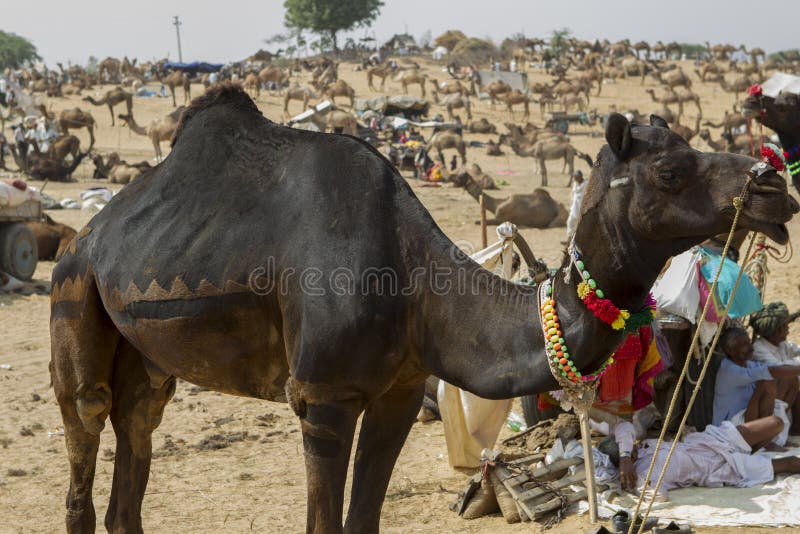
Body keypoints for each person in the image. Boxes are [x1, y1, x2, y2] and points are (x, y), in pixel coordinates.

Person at [619, 415, 800, 496]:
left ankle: (756, 449)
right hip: (718, 469)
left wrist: (625, 456)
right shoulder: (643, 476)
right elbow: (660, 497)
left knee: (776, 422)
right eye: (631, 450)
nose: (634, 447)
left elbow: (623, 426)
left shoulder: (637, 449)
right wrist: (636, 485)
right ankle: (755, 456)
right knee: (791, 462)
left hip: (710, 441)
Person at [713, 327, 800, 448]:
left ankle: (771, 436)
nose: (750, 347)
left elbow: (776, 367)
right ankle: (763, 443)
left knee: (790, 380)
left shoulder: (748, 364)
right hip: (732, 427)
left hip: (748, 416)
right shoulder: (729, 370)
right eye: (744, 344)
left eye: (749, 341)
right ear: (731, 350)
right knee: (765, 382)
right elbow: (771, 371)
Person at [751, 302, 800, 432]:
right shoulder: (759, 349)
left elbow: (796, 351)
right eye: (785, 326)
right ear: (778, 331)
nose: (788, 329)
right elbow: (780, 370)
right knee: (791, 378)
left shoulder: (781, 344)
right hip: (767, 403)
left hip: (783, 398)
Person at [563, 169, 586, 245]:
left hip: (582, 208)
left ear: (580, 177)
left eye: (575, 177)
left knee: (581, 225)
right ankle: (569, 239)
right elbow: (573, 194)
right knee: (570, 222)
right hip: (574, 207)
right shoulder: (575, 183)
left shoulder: (586, 184)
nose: (574, 179)